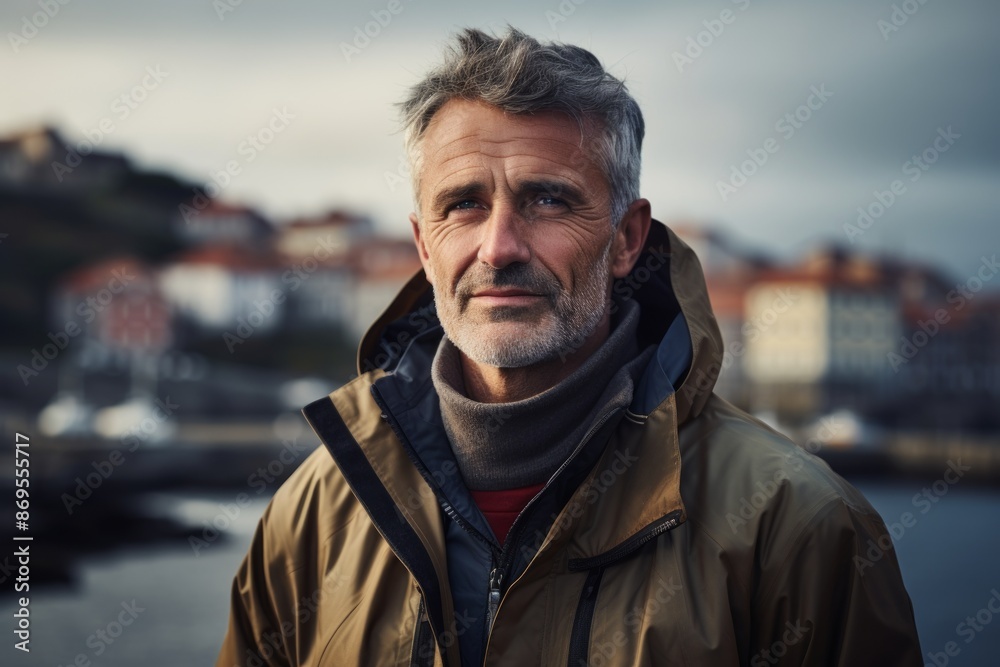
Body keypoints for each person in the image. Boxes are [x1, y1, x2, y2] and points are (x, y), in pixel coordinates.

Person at [216, 27, 922, 667]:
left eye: (548, 199)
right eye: (463, 203)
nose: (499, 248)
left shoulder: (795, 528)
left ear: (626, 239)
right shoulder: (314, 513)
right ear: (423, 245)